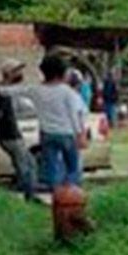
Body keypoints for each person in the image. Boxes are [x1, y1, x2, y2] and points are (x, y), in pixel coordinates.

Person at [29, 54, 89, 191]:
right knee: (73, 168)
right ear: (62, 73)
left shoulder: (37, 90)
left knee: (52, 167)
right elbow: (76, 115)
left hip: (47, 134)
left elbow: (12, 91)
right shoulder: (68, 93)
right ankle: (71, 193)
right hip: (67, 134)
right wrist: (80, 134)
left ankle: (56, 193)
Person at [0, 59, 36, 201]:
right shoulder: (2, 92)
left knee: (27, 163)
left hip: (11, 134)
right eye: (16, 71)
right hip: (9, 135)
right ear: (8, 74)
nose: (20, 74)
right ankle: (28, 196)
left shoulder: (6, 90)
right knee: (25, 166)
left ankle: (28, 194)